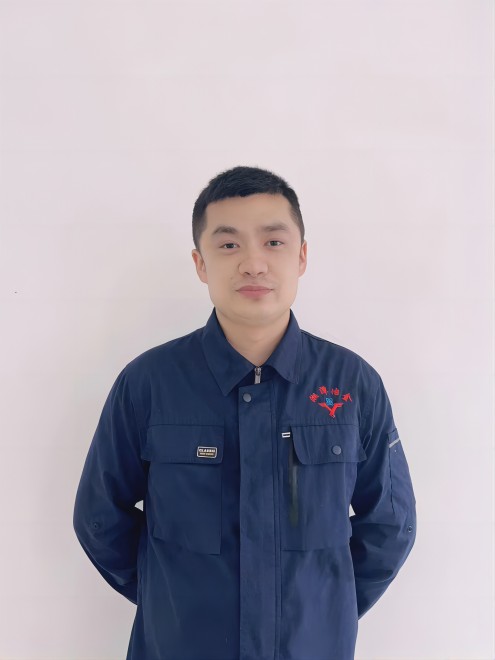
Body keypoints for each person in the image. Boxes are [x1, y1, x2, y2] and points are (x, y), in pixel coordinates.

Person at [73, 165, 416, 660]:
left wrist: (327, 608)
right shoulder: (148, 383)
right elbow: (99, 517)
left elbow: (391, 524)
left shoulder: (352, 384)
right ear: (200, 263)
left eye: (273, 242)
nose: (253, 264)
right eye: (229, 244)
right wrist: (168, 598)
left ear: (301, 257)